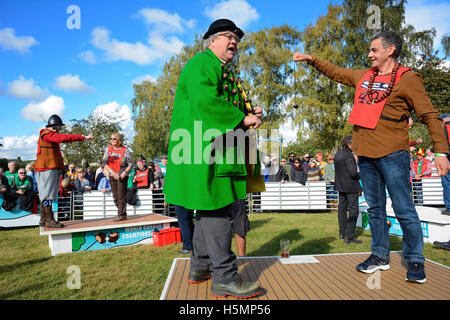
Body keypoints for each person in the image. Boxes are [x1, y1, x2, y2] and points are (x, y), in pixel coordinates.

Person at [293, 30, 450, 283]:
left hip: (394, 155)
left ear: (390, 50)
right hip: (365, 155)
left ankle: (416, 260)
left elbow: (430, 115)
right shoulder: (364, 75)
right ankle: (379, 256)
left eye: (374, 50)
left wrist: (441, 151)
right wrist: (312, 60)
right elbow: (337, 72)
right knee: (375, 209)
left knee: (404, 209)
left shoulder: (408, 78)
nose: (369, 54)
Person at [163, 18, 264, 298]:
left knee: (206, 209)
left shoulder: (219, 67)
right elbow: (206, 101)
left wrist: (247, 110)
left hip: (208, 146)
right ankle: (225, 277)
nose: (234, 41)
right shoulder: (202, 63)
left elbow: (221, 101)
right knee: (219, 208)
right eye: (228, 35)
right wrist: (242, 117)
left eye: (237, 38)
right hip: (206, 148)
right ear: (212, 40)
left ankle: (200, 267)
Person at [33, 114, 93, 228]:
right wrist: (82, 136)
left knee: (45, 195)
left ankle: (43, 219)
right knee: (48, 195)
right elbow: (62, 138)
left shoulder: (47, 135)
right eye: (59, 126)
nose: (60, 129)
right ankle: (50, 219)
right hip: (47, 168)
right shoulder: (46, 134)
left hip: (48, 168)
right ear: (55, 126)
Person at [334, 136, 363, 243]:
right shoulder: (349, 155)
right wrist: (361, 175)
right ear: (349, 144)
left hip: (341, 186)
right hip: (350, 186)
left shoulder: (337, 154)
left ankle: (342, 233)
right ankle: (349, 236)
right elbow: (353, 173)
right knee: (353, 211)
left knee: (342, 210)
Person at [102, 132, 133, 222]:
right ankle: (123, 213)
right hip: (112, 174)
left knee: (121, 195)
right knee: (115, 197)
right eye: (111, 139)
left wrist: (124, 173)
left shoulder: (125, 150)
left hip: (122, 175)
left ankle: (121, 214)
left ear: (119, 140)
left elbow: (131, 164)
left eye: (114, 139)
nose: (112, 140)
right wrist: (111, 172)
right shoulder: (108, 149)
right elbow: (104, 163)